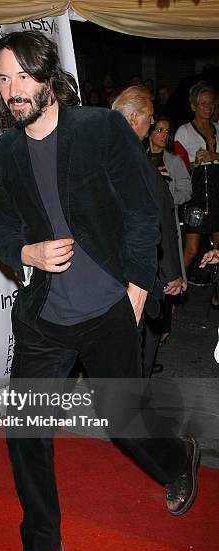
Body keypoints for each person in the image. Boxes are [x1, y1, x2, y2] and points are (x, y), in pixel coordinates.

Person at [0, 32, 198, 551]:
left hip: (108, 306)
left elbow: (141, 208)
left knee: (122, 420)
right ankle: (41, 541)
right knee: (24, 427)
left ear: (48, 75)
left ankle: (177, 459)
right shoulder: (1, 154)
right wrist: (25, 253)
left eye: (23, 76)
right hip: (43, 318)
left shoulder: (99, 128)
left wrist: (136, 285)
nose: (14, 90)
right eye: (4, 79)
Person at [112, 88, 186, 376]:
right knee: (140, 341)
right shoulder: (139, 164)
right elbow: (158, 223)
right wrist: (172, 272)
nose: (152, 123)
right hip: (141, 271)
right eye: (150, 118)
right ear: (135, 118)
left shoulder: (100, 154)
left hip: (108, 270)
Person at [148, 116, 192, 343]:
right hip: (144, 226)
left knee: (167, 275)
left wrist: (164, 196)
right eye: (160, 130)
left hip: (166, 223)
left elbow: (187, 192)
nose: (164, 135)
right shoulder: (138, 156)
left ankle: (163, 328)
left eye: (167, 131)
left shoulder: (174, 161)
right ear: (150, 131)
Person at [174, 82, 219, 307]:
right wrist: (195, 162)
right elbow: (178, 168)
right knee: (191, 249)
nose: (207, 107)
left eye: (210, 103)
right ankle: (173, 294)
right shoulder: (184, 131)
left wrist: (213, 153)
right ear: (194, 106)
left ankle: (217, 295)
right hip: (197, 195)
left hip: (218, 193)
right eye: (202, 103)